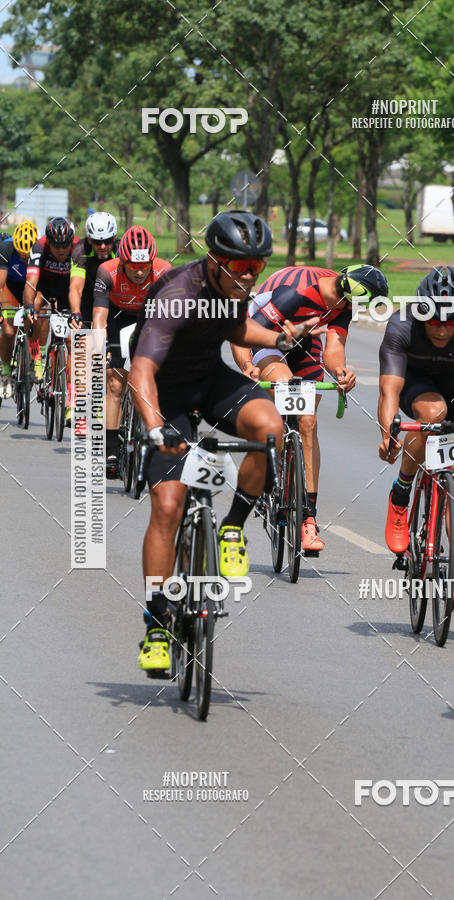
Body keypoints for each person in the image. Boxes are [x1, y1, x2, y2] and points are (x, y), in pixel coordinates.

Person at [128, 210, 320, 673]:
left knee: (271, 429)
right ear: (214, 261)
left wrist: (278, 335)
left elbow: (234, 330)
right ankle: (157, 623)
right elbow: (141, 370)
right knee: (169, 506)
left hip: (209, 381)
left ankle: (232, 526)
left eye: (257, 266)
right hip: (164, 395)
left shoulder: (234, 287)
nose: (250, 275)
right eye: (240, 266)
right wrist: (155, 428)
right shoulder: (178, 294)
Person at [231, 263, 387, 552]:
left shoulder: (345, 301)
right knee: (285, 381)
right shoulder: (294, 293)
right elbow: (244, 330)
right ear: (349, 295)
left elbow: (334, 347)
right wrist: (248, 366)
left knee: (308, 422)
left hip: (304, 341)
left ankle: (308, 520)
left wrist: (341, 371)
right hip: (266, 334)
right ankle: (270, 463)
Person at [378, 265, 454, 612]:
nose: (442, 329)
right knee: (432, 415)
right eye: (434, 321)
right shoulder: (401, 324)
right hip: (415, 383)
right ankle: (402, 492)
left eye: (450, 322)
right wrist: (389, 432)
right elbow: (389, 392)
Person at [92, 225, 171, 477]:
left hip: (149, 318)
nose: (139, 272)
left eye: (144, 266)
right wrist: (99, 344)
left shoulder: (163, 271)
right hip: (117, 316)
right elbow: (99, 317)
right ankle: (112, 450)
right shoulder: (107, 271)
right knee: (115, 384)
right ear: (122, 260)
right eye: (133, 266)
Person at [23, 217, 79, 388]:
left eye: (65, 246)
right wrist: (29, 307)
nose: (61, 250)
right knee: (35, 305)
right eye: (56, 246)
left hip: (68, 289)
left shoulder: (79, 248)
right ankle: (36, 356)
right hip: (44, 287)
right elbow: (31, 282)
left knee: (71, 339)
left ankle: (70, 394)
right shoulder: (40, 246)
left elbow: (80, 286)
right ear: (49, 242)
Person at [0, 220, 39, 398]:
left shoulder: (41, 250)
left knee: (36, 317)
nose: (25, 257)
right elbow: (0, 285)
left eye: (28, 254)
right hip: (10, 286)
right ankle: (5, 371)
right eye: (22, 254)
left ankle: (36, 357)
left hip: (31, 286)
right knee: (8, 331)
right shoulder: (6, 249)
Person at [69, 211, 118, 327]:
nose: (103, 246)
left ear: (114, 238)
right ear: (90, 240)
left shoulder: (120, 250)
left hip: (114, 296)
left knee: (113, 340)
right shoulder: (80, 251)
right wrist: (76, 312)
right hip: (88, 295)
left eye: (107, 241)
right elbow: (75, 288)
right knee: (78, 339)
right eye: (97, 242)